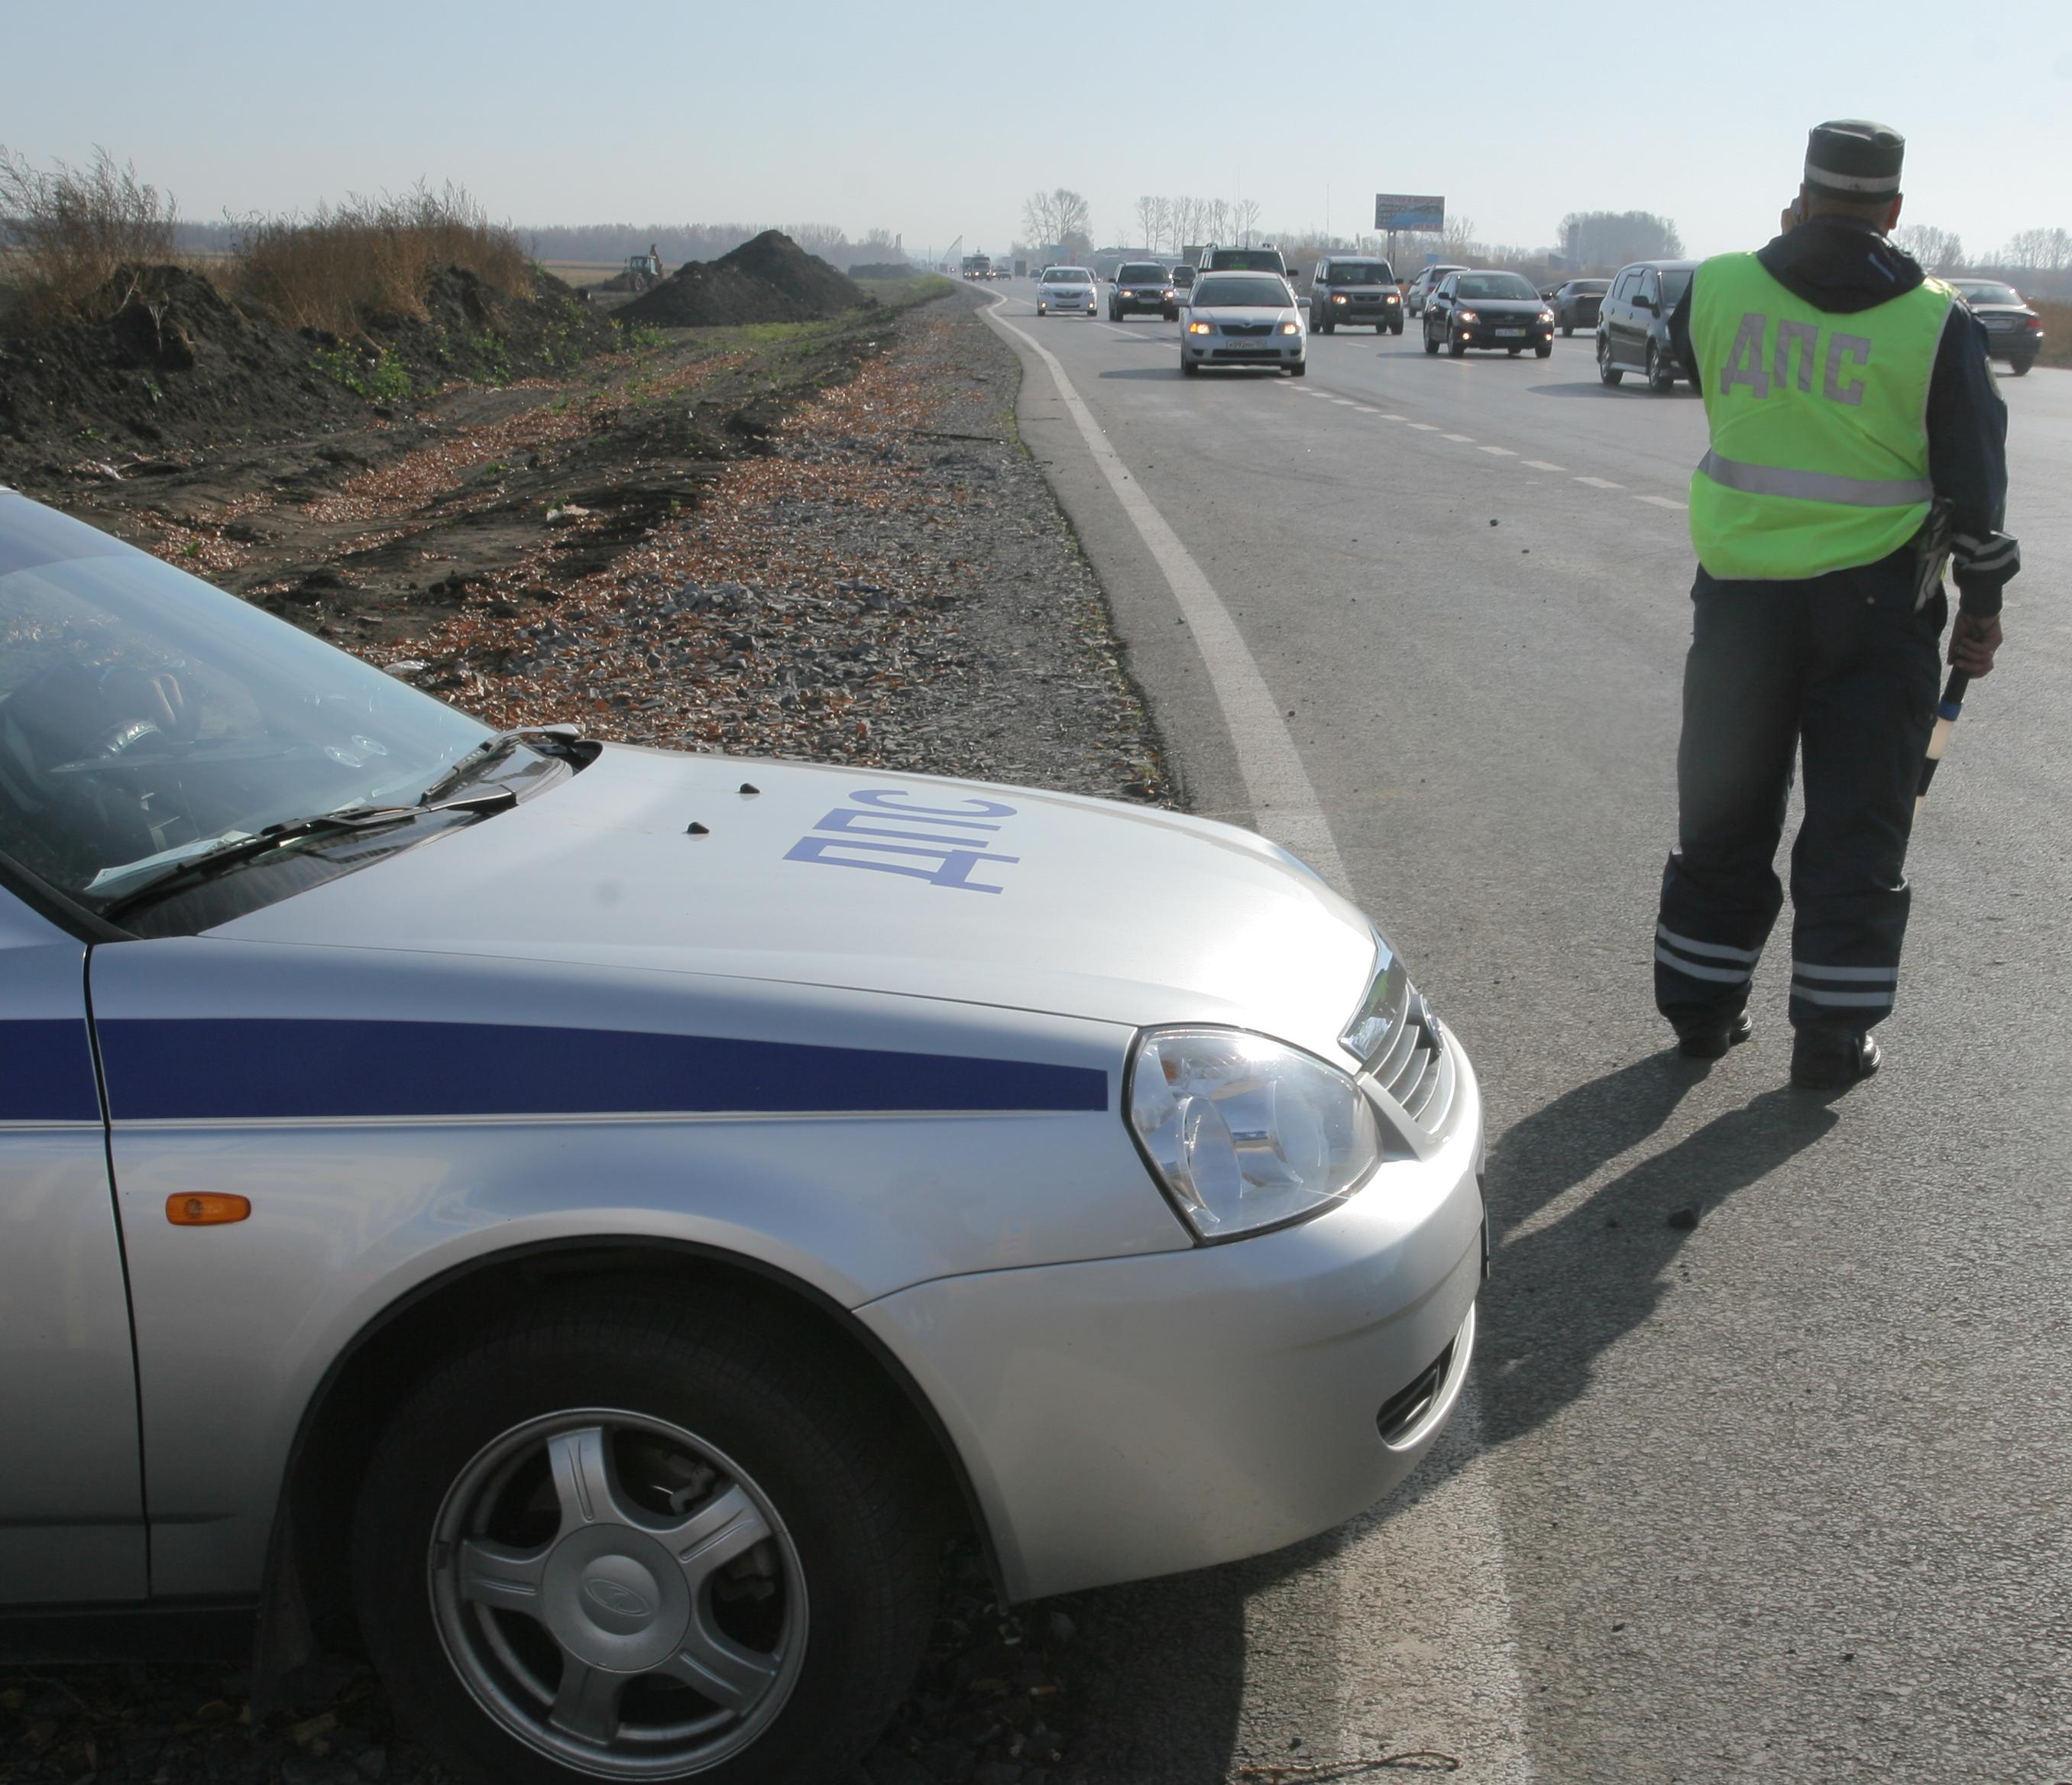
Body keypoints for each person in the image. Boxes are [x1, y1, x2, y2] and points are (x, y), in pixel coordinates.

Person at [1653, 119, 2019, 1090]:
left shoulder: (1719, 286)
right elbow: (1976, 487)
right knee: (1859, 826)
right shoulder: (1938, 321)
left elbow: (1713, 385)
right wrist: (1981, 608)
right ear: (1895, 212)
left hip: (1740, 608)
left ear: (1800, 197)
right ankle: (1831, 1039)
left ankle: (1699, 1013)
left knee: (1725, 813)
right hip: (1876, 613)